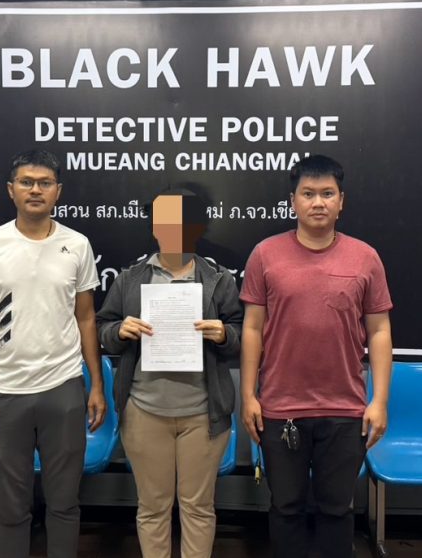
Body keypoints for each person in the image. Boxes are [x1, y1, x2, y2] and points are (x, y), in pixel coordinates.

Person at [239, 154, 394, 558]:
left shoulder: (365, 257)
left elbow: (379, 331)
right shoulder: (265, 255)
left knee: (336, 509)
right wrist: (248, 395)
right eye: (308, 194)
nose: (318, 202)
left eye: (327, 193)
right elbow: (252, 328)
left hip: (344, 408)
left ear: (342, 201)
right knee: (285, 508)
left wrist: (379, 401)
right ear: (293, 201)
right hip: (280, 408)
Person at [0, 149, 107, 558]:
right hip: (4, 392)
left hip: (64, 389)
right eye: (26, 182)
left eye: (44, 183)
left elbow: (86, 319)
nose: (35, 190)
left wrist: (96, 385)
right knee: (10, 508)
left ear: (58, 191)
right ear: (11, 190)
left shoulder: (76, 245)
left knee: (64, 503)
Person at [96, 188, 243, 558]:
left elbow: (244, 335)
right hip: (144, 412)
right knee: (152, 508)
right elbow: (102, 329)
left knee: (198, 508)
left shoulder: (219, 279)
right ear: (154, 227)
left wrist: (225, 334)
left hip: (203, 414)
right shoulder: (130, 279)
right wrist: (118, 331)